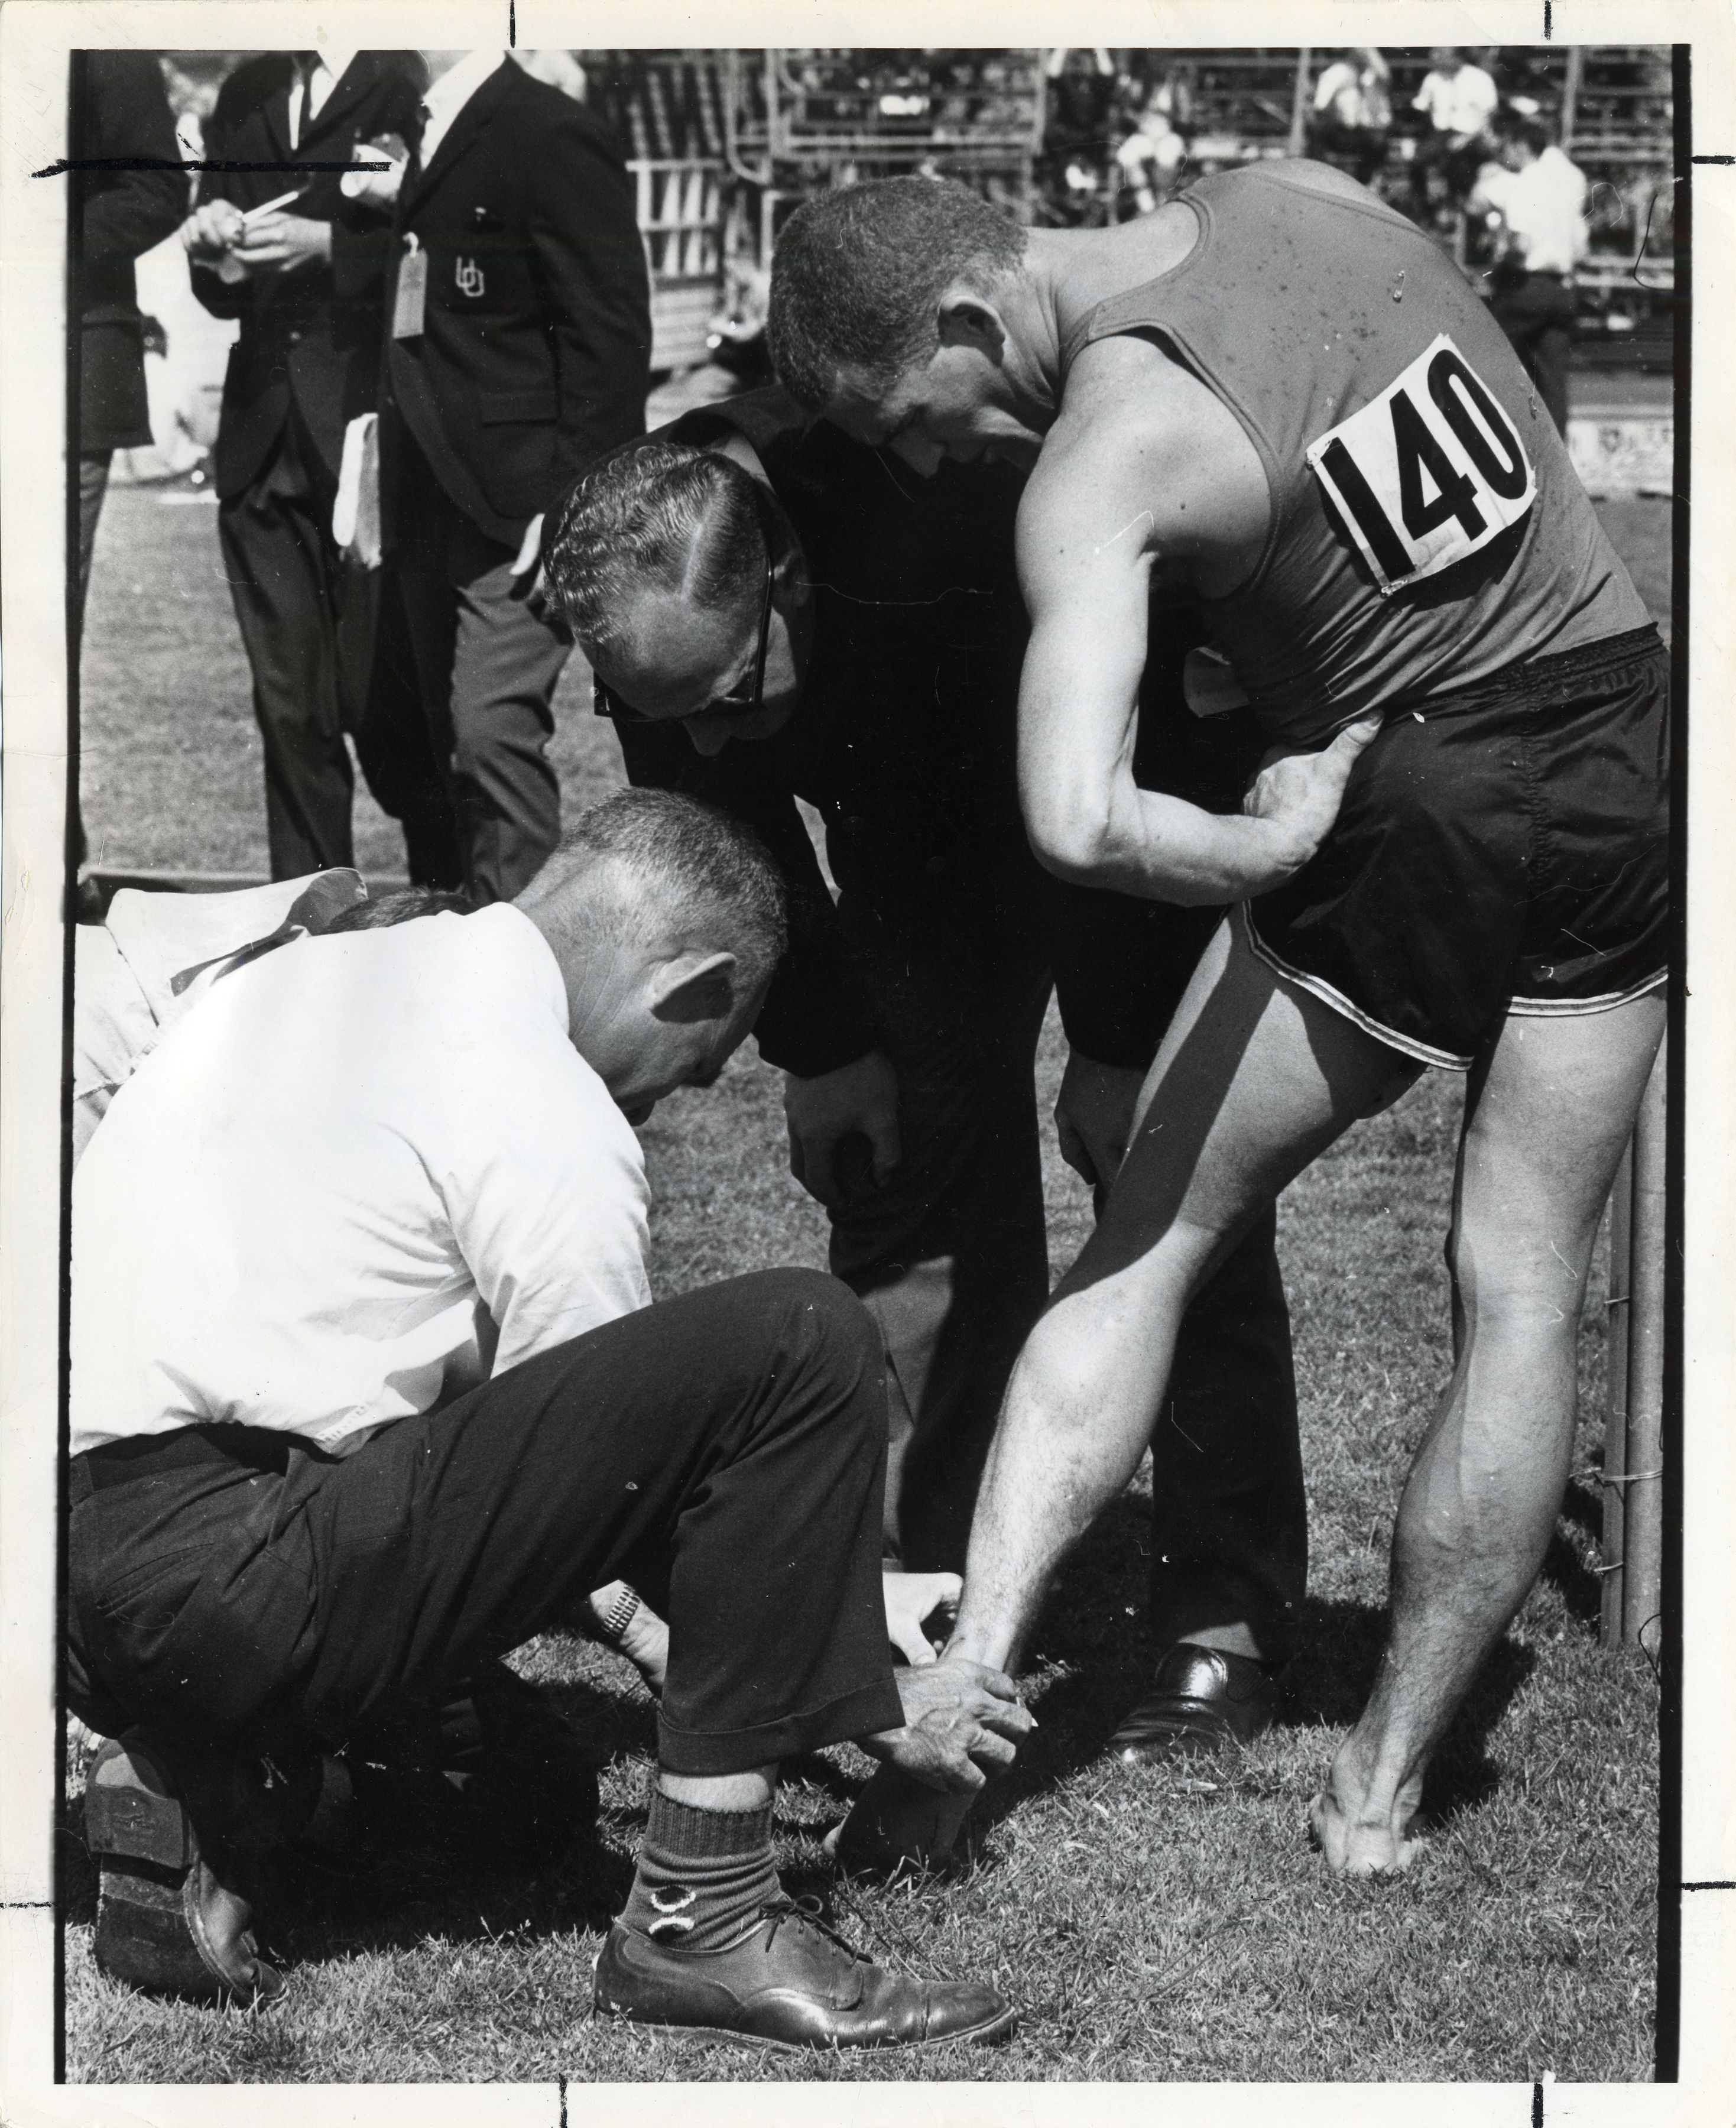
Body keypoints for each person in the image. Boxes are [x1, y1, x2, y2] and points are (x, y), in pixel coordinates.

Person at [765, 166, 1667, 1876]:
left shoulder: (1104, 451)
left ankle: (956, 1723)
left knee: (1146, 1242)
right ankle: (1377, 1796)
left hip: (1421, 786)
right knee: (1525, 1284)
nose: (928, 461)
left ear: (966, 317)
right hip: (1626, 729)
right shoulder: (1303, 189)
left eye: (913, 417)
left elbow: (1078, 819)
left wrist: (1269, 843)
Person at [70, 789, 1030, 2045]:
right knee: (796, 1344)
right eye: (701, 1062)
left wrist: (807, 1627)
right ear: (693, 985)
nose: (670, 1097)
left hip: (67, 1574)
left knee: (526, 1788)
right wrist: (876, 1694)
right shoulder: (539, 1093)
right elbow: (633, 1488)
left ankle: (217, 1786)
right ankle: (706, 1915)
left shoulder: (309, 976)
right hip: (231, 1561)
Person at [544, 390, 1307, 1758]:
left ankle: (1222, 1620)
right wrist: (825, 1044)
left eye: (731, 699)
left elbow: (1125, 771)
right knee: (902, 1197)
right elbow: (723, 819)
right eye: (672, 712)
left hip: (1123, 813)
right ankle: (907, 1597)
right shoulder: (657, 598)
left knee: (1177, 1190)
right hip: (915, 866)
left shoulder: (949, 513)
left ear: (786, 581)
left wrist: (1117, 1040)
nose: (706, 734)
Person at [370, 48, 650, 903]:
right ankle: (462, 941)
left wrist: (573, 504)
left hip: (521, 510)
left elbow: (609, 335)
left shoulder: (550, 132)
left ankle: (522, 962)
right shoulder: (414, 123)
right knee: (430, 746)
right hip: (426, 495)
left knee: (489, 737)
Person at [183, 50, 443, 882]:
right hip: (261, 444)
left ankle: (443, 907)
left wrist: (330, 246)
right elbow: (219, 288)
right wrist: (211, 239)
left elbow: (440, 243)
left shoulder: (407, 80)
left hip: (371, 437)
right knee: (290, 711)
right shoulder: (247, 92)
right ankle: (313, 924)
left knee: (389, 707)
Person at [70, 52, 186, 634]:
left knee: (36, 622)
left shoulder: (104, 40)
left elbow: (156, 186)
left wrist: (38, 235)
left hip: (64, 359)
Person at [1468, 116, 1589, 436]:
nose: (1506, 154)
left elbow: (1520, 244)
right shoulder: (1565, 185)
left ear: (1521, 147)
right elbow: (1581, 247)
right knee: (1552, 382)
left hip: (1528, 288)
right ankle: (1557, 455)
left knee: (1484, 358)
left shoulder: (1524, 183)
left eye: (1509, 147)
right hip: (1562, 287)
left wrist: (1496, 264)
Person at [1409, 47, 1500, 226]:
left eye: (1444, 56)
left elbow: (1488, 118)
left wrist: (1466, 139)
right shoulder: (1433, 79)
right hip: (1442, 135)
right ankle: (1425, 212)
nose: (1437, 59)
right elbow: (1421, 109)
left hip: (1473, 136)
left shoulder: (1480, 79)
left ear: (1458, 58)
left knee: (1461, 165)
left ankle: (1464, 213)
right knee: (1417, 161)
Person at [1306, 48, 1391, 190]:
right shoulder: (1336, 73)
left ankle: (1364, 185)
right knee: (1318, 132)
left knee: (1379, 142)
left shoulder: (1370, 76)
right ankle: (1320, 183)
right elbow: (1320, 106)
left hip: (1361, 131)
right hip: (1339, 131)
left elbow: (1386, 75)